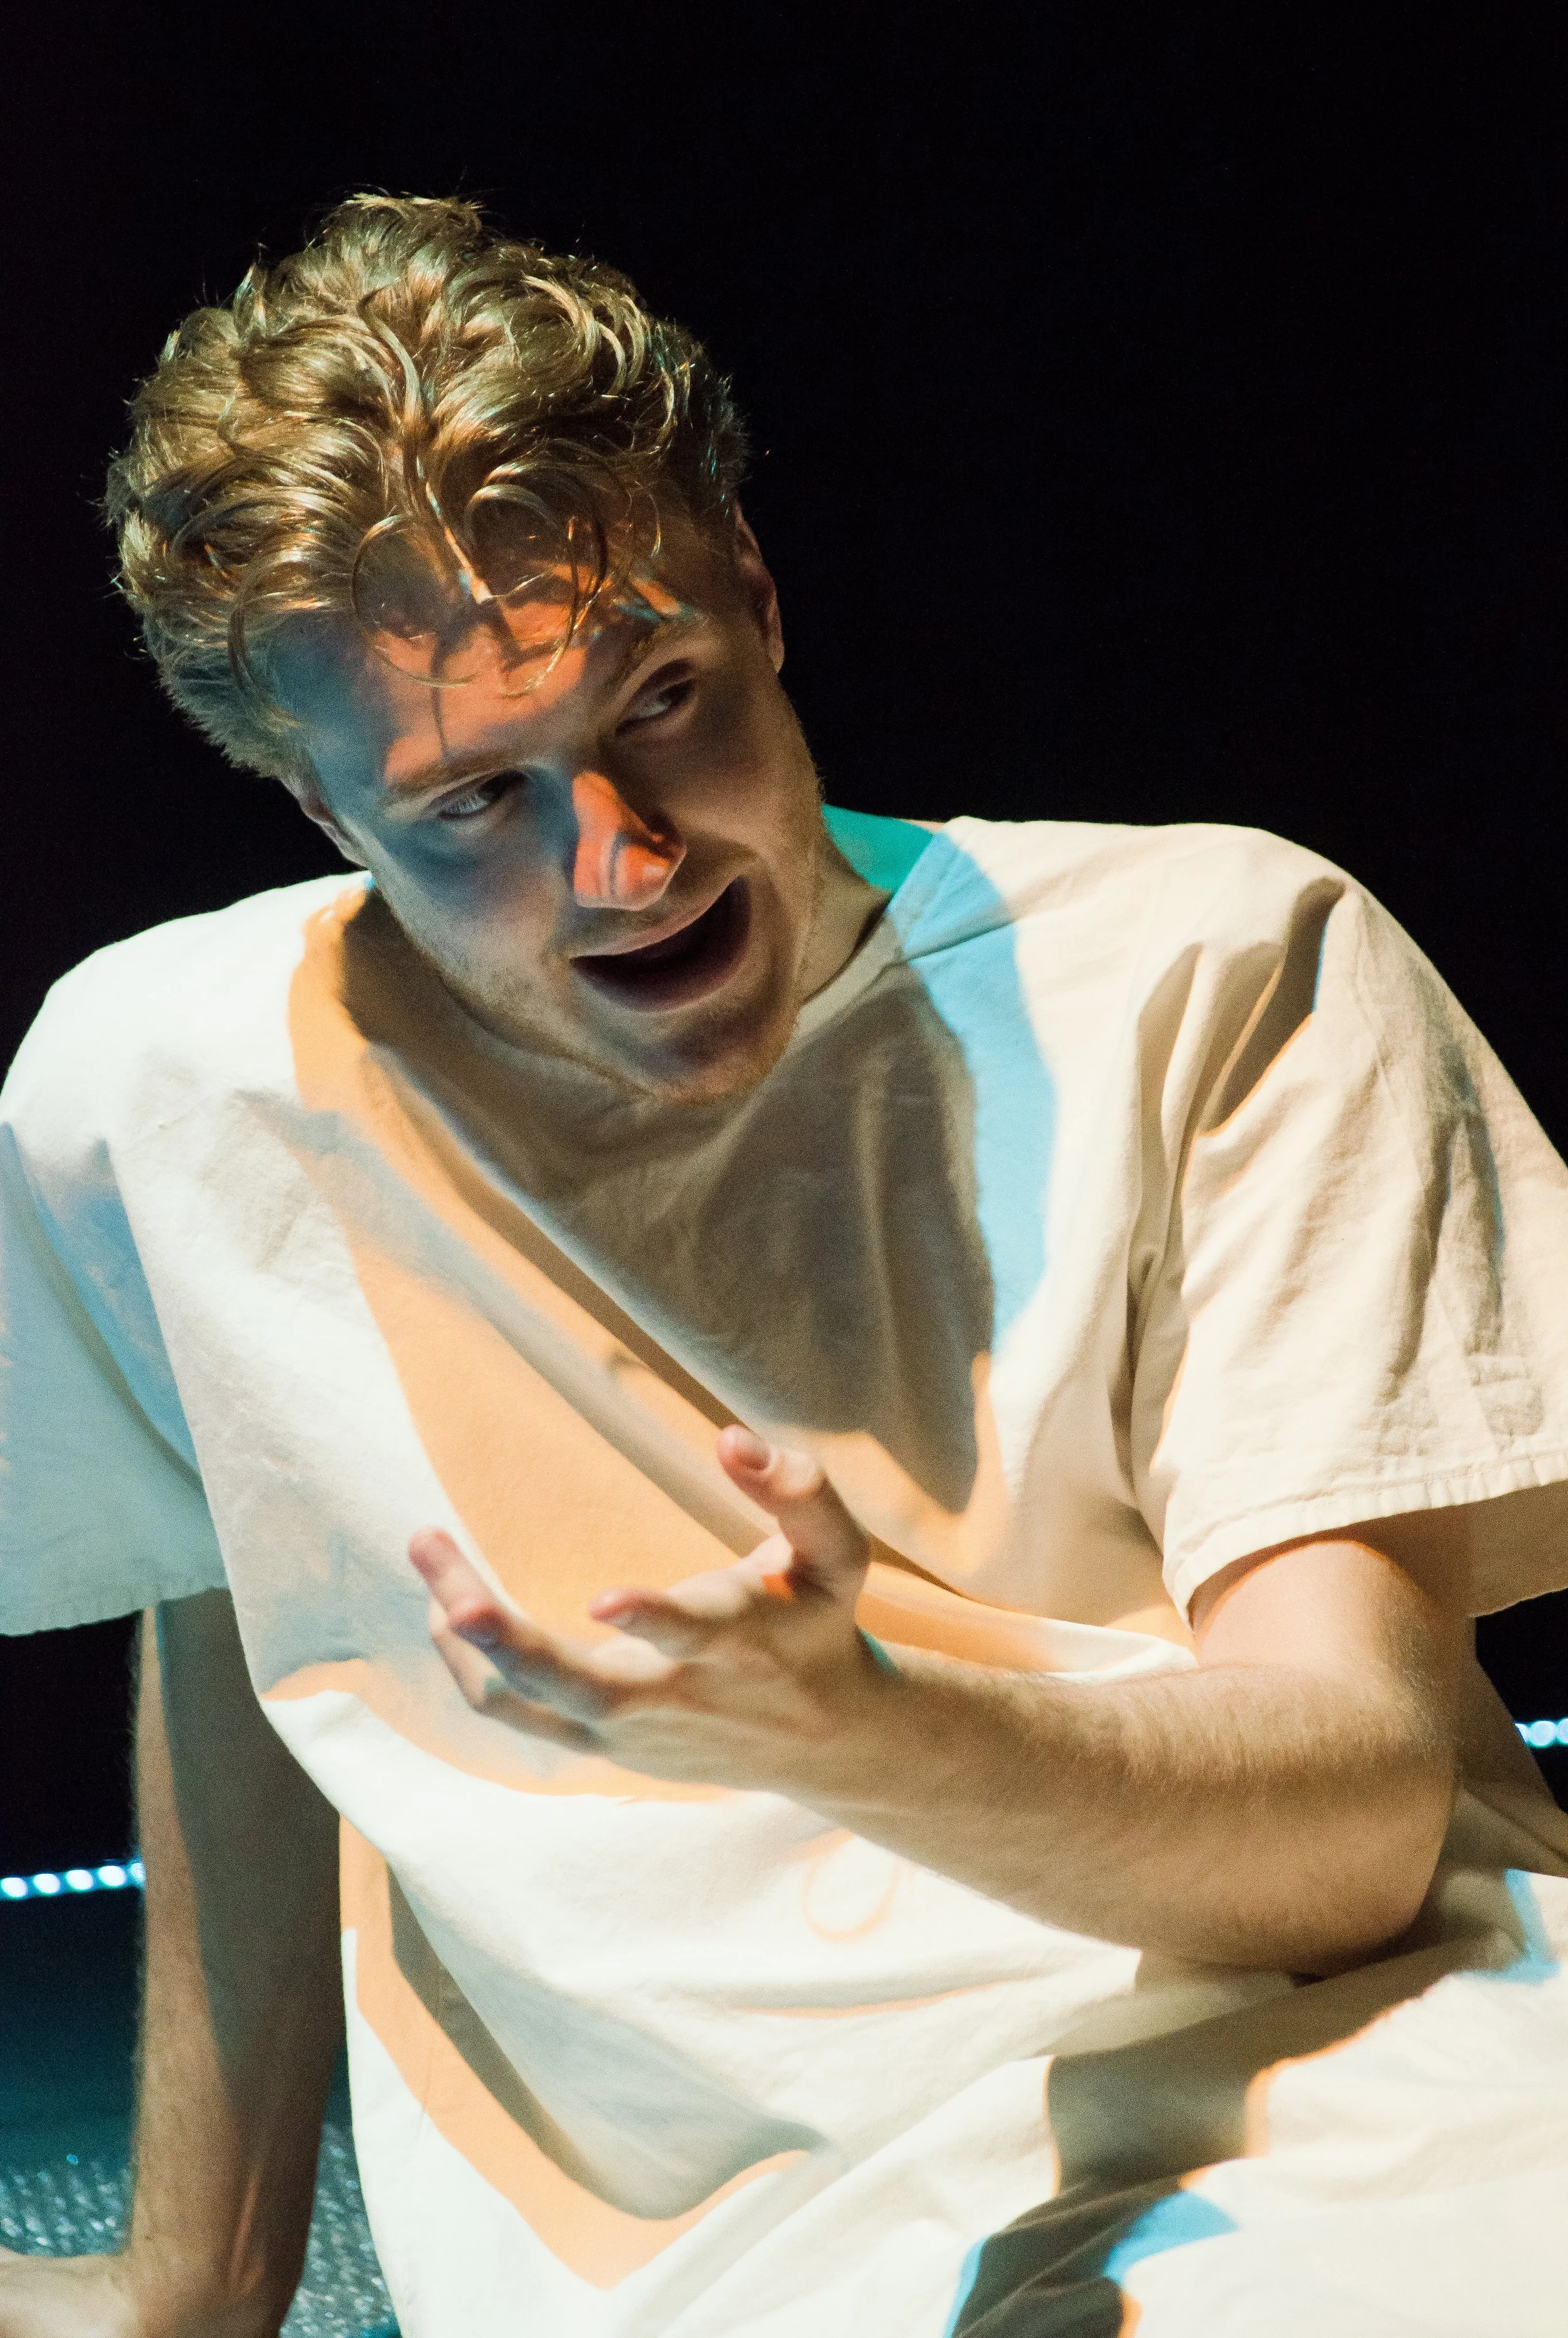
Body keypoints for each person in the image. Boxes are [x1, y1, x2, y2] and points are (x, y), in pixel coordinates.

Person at [3, 193, 1567, 2338]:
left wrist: (861, 1726)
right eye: (473, 800)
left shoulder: (1223, 966)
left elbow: (1360, 1821)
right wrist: (193, 2282)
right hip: (739, 2240)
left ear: (751, 587)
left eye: (661, 696)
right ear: (313, 802)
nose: (624, 857)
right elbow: (247, 1615)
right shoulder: (156, 1080)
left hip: (1353, 2089)